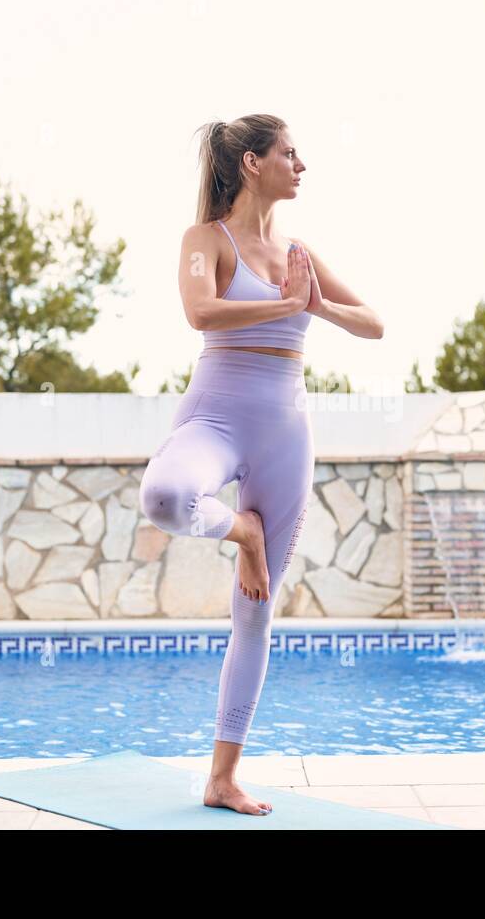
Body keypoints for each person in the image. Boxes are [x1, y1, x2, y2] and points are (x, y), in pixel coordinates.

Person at [140, 115, 384, 815]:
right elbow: (199, 313)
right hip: (215, 417)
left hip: (285, 431)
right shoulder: (205, 241)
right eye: (288, 153)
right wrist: (279, 304)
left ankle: (222, 777)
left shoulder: (299, 250)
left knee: (255, 613)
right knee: (163, 497)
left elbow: (374, 322)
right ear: (251, 163)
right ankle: (238, 530)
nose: (301, 164)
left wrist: (314, 305)